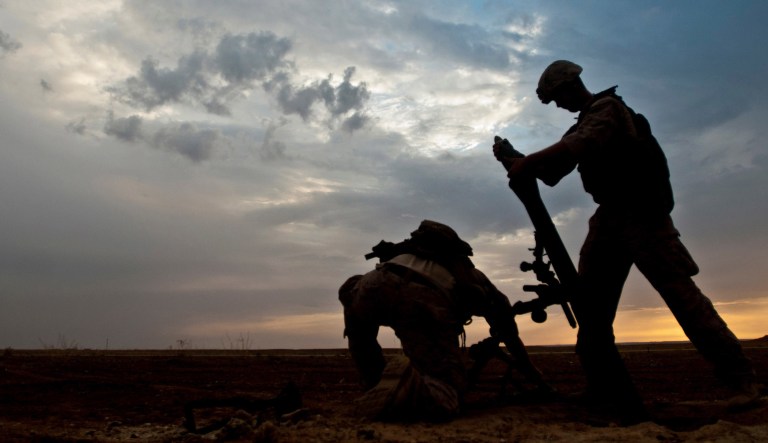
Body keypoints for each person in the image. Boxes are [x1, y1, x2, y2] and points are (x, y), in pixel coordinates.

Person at [492, 60, 759, 421]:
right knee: (592, 309)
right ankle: (602, 386)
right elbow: (552, 173)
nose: (558, 105)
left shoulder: (608, 109)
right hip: (610, 220)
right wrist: (515, 160)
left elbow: (579, 144)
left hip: (643, 217)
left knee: (684, 300)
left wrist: (530, 162)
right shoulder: (583, 122)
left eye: (557, 98)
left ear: (571, 86)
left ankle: (741, 383)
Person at [338, 220, 551, 422]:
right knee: (446, 390)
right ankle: (405, 387)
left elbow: (347, 290)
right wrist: (534, 375)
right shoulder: (475, 278)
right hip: (421, 297)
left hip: (371, 284)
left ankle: (375, 384)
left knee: (353, 301)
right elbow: (509, 333)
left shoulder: (402, 257)